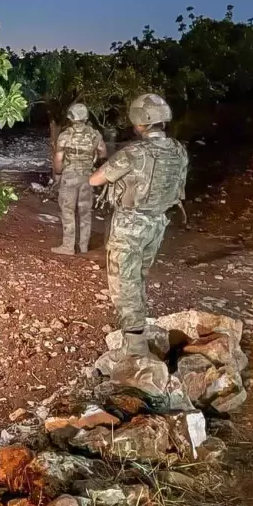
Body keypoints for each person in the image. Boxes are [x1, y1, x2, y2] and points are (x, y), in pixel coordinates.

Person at [88, 94, 188, 358]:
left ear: (140, 122)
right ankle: (140, 330)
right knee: (138, 277)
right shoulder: (178, 150)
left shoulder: (135, 152)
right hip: (157, 223)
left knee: (124, 283)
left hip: (130, 224)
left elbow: (96, 181)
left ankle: (134, 347)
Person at [51, 102, 107, 255]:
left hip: (69, 177)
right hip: (88, 177)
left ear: (70, 117)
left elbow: (58, 158)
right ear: (86, 117)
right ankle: (83, 247)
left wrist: (57, 174)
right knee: (85, 212)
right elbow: (103, 153)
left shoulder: (65, 136)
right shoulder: (95, 134)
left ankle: (68, 246)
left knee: (67, 211)